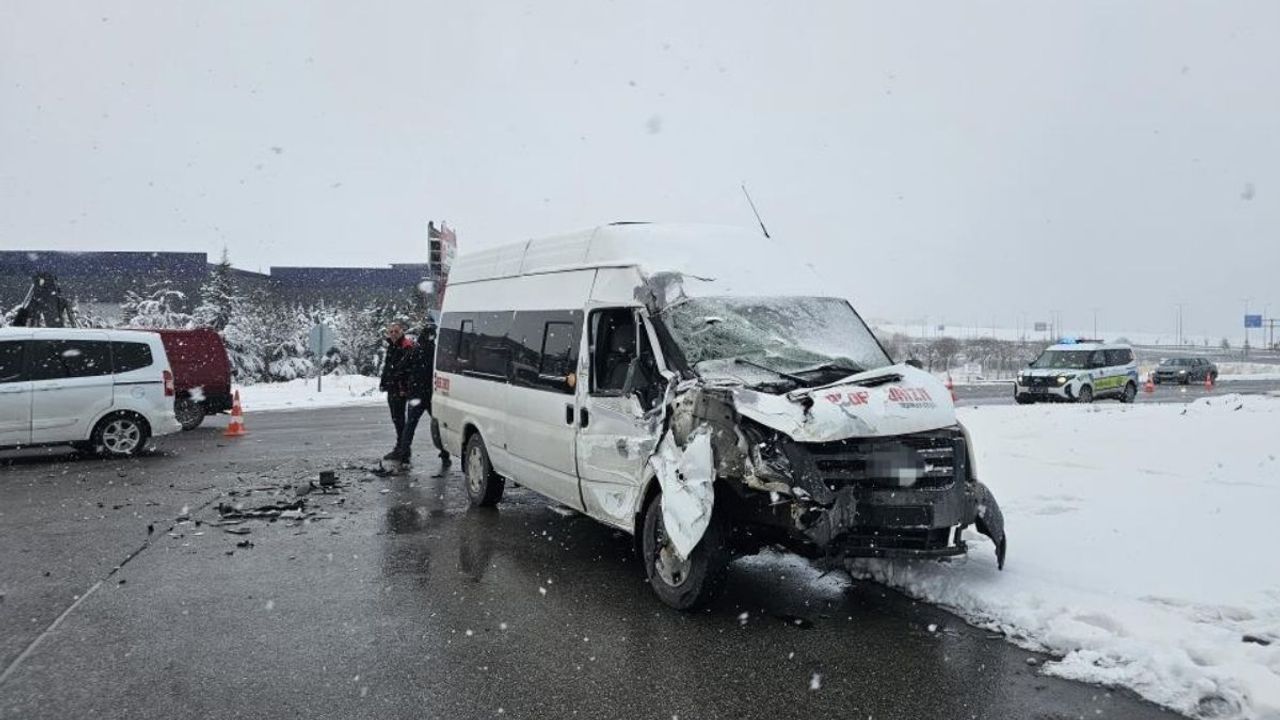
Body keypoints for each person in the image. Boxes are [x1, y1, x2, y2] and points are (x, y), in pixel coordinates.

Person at [386, 321, 452, 467]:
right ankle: (444, 453)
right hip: (430, 394)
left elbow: (400, 369)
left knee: (410, 425)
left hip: (415, 394)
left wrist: (405, 382)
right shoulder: (436, 352)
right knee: (437, 423)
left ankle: (404, 455)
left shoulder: (415, 351)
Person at [380, 322, 415, 462]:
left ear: (401, 332)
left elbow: (405, 370)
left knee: (400, 420)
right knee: (396, 419)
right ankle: (401, 447)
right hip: (392, 387)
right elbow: (388, 367)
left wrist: (403, 388)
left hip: (399, 389)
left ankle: (403, 449)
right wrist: (383, 383)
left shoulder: (405, 346)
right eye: (391, 331)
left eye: (396, 331)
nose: (393, 334)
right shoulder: (392, 346)